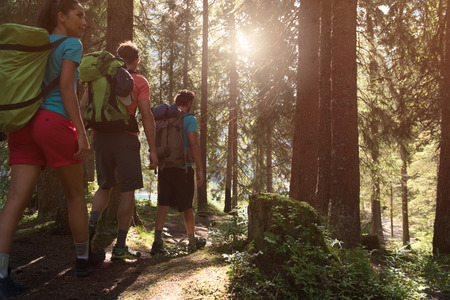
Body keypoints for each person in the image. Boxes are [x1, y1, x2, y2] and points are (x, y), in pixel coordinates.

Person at [0, 0, 105, 297]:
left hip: (23, 124)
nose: (84, 22)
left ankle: (1, 275)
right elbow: (66, 88)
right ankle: (84, 259)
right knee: (74, 195)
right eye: (79, 15)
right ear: (61, 17)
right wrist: (82, 134)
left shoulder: (35, 44)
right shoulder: (71, 44)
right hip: (53, 122)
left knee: (14, 202)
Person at [86, 41, 158, 260]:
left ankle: (89, 231)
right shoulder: (139, 81)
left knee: (104, 186)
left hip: (100, 137)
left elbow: (82, 107)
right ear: (136, 61)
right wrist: (153, 149)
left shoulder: (98, 77)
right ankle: (120, 246)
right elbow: (146, 114)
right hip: (126, 139)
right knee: (127, 191)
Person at [150, 90, 206, 255]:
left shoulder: (165, 119)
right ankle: (191, 242)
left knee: (163, 205)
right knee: (187, 206)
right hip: (183, 168)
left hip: (165, 166)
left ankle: (157, 242)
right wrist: (200, 168)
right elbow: (193, 143)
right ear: (189, 102)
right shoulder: (189, 119)